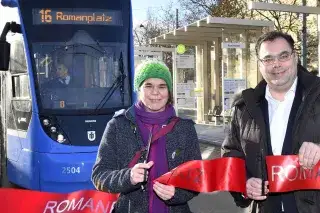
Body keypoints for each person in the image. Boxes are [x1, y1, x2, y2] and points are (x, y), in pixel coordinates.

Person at [221, 31, 320, 213]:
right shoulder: (244, 108)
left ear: (295, 57)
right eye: (268, 59)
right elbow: (230, 155)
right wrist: (243, 183)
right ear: (259, 65)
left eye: (283, 56)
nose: (276, 64)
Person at [91, 59, 201, 213]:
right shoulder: (117, 125)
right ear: (139, 89)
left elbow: (197, 177)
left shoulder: (185, 128)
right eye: (148, 86)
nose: (155, 92)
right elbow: (99, 175)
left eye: (162, 86)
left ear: (168, 91)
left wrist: (178, 193)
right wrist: (127, 177)